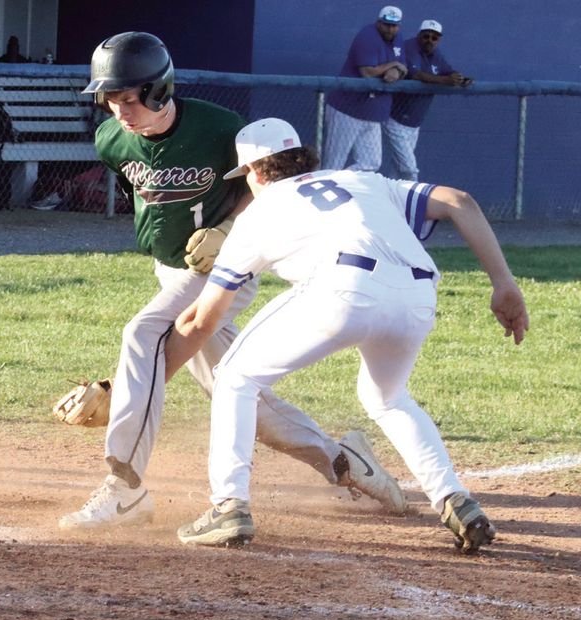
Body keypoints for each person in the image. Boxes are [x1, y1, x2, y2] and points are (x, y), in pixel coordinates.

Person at [58, 32, 404, 530]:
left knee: (144, 334)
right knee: (238, 392)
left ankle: (124, 488)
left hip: (223, 270)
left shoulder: (219, 128)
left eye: (129, 97)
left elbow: (271, 184)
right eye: (109, 98)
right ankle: (343, 460)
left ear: (159, 90)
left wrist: (227, 229)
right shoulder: (111, 139)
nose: (119, 110)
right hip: (171, 270)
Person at [170, 118, 527, 553]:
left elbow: (203, 321)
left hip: (342, 286)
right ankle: (455, 500)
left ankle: (229, 506)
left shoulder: (257, 213)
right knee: (388, 398)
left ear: (257, 171)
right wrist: (503, 283)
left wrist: (147, 380)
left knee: (235, 378)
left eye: (246, 176)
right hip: (418, 295)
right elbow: (459, 201)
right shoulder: (361, 179)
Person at [384, 20, 472, 181]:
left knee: (399, 171)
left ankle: (393, 203)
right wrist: (446, 81)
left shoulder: (435, 54)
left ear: (439, 40)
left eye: (434, 38)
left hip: (414, 125)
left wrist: (459, 78)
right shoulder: (409, 47)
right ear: (419, 35)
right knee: (409, 170)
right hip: (394, 120)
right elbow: (416, 75)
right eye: (426, 36)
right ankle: (416, 202)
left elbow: (448, 71)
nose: (430, 40)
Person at [323, 5, 407, 173]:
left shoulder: (398, 39)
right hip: (346, 110)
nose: (390, 29)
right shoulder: (367, 36)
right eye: (386, 24)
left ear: (399, 26)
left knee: (371, 164)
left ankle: (339, 184)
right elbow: (367, 72)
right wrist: (393, 64)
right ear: (378, 23)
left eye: (394, 25)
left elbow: (403, 67)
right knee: (333, 164)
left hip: (373, 113)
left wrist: (396, 70)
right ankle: (323, 188)